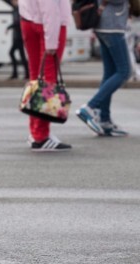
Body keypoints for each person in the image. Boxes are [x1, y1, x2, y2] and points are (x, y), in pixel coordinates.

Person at [19, 0, 72, 151]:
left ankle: (35, 131)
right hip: (48, 24)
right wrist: (51, 43)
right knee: (48, 81)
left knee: (36, 79)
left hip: (28, 20)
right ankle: (41, 136)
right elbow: (50, 8)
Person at [76, 0, 131, 137]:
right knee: (124, 71)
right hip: (112, 26)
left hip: (104, 25)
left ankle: (104, 120)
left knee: (110, 73)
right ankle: (90, 107)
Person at [6, 0, 29, 80]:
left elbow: (18, 22)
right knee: (20, 55)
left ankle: (17, 73)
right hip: (17, 36)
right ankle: (24, 73)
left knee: (12, 53)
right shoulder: (15, 9)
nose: (13, 2)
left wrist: (9, 27)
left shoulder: (19, 10)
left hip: (19, 37)